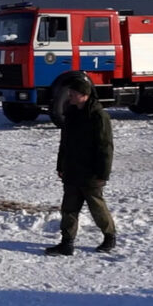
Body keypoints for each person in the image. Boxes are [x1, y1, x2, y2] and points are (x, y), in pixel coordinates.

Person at [46, 77, 116, 256]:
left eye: (73, 93)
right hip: (72, 170)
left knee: (97, 207)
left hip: (91, 173)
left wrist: (103, 173)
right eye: (70, 93)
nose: (69, 96)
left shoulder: (98, 116)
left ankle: (109, 236)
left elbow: (105, 147)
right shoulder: (71, 113)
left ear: (84, 95)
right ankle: (67, 242)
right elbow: (65, 143)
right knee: (69, 209)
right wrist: (60, 165)